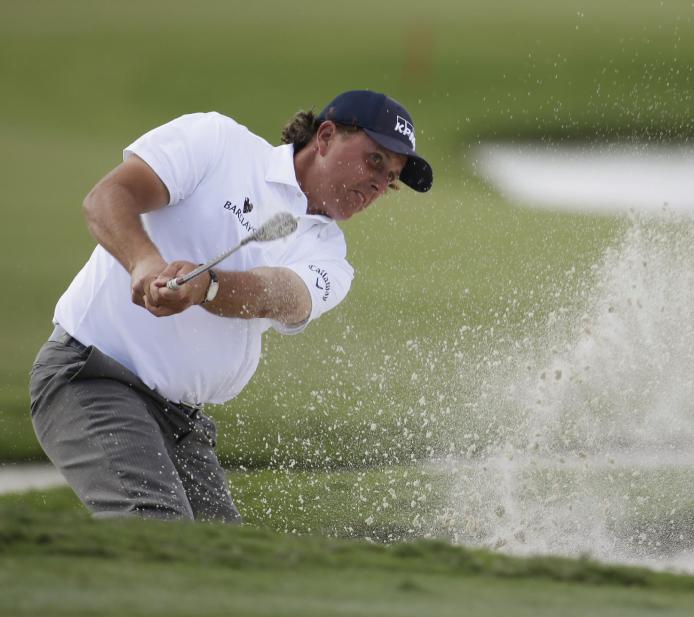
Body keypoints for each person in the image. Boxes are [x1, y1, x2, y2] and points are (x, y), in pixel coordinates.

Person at [28, 90, 433, 522]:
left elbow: (283, 295)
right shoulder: (218, 143)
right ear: (326, 136)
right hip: (93, 377)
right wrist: (143, 262)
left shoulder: (331, 255)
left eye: (389, 178)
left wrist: (208, 286)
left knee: (219, 559)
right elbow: (109, 196)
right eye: (374, 160)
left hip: (181, 422)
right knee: (156, 532)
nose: (377, 184)